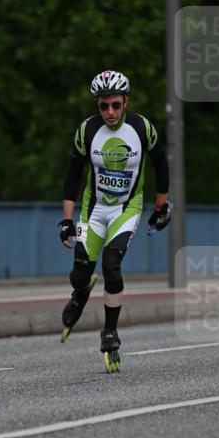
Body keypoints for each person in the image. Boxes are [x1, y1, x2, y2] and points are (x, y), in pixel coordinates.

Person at [58, 70, 172, 372]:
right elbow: (73, 177)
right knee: (80, 271)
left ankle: (110, 333)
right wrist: (66, 220)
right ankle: (80, 293)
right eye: (103, 106)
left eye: (116, 105)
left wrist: (161, 206)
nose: (110, 112)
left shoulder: (142, 127)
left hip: (126, 208)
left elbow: (161, 166)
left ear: (126, 102)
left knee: (111, 264)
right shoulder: (87, 131)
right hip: (93, 209)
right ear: (97, 105)